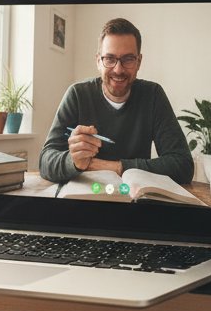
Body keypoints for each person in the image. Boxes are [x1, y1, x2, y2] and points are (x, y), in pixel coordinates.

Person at [37, 17, 193, 185]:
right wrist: (73, 161)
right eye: (109, 59)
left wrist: (115, 167)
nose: (118, 69)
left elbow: (183, 165)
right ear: (98, 61)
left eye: (128, 59)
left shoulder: (153, 95)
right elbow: (45, 161)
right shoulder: (77, 94)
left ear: (139, 62)